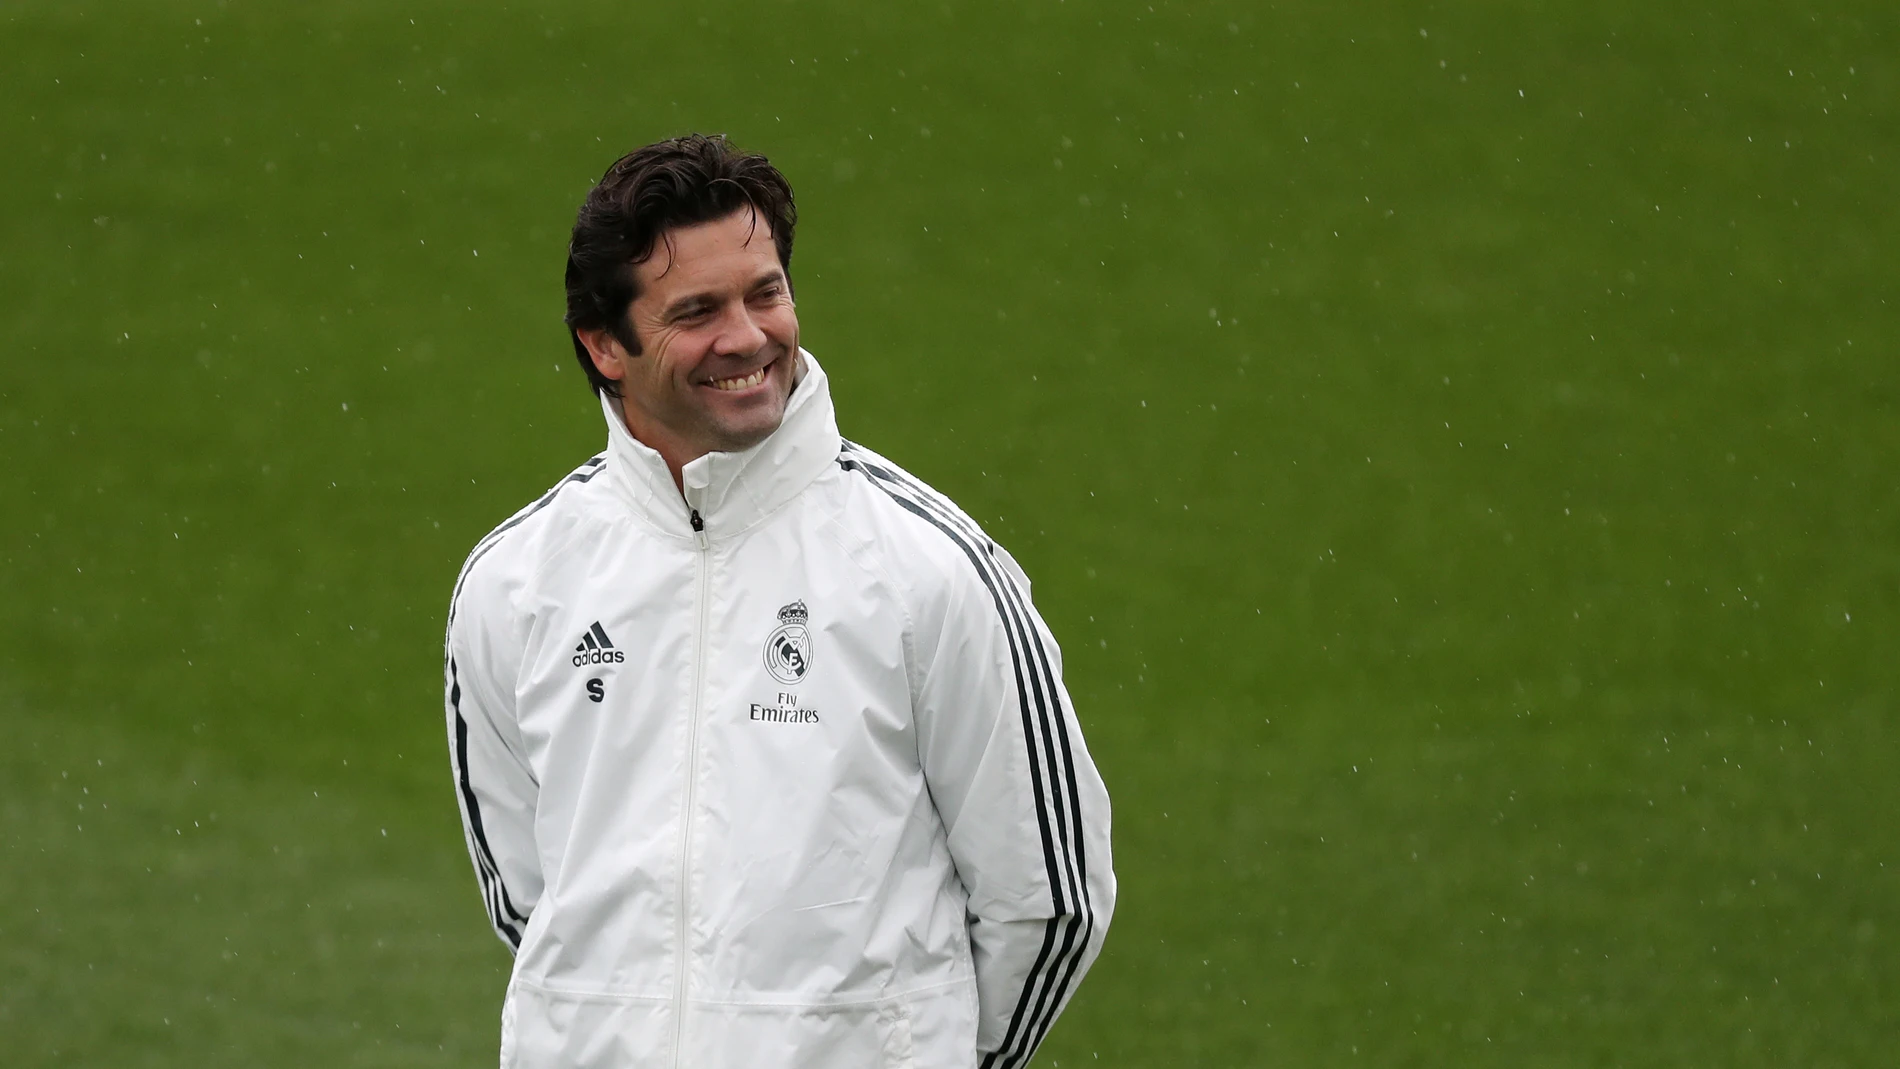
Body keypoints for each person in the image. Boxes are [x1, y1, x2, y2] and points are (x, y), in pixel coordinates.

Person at [443, 133, 1114, 1069]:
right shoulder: (515, 583)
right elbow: (530, 896)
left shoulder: (931, 568)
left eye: (766, 292)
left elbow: (1049, 896)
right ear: (605, 345)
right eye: (697, 310)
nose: (750, 336)